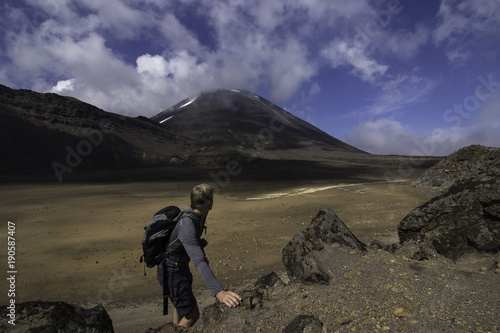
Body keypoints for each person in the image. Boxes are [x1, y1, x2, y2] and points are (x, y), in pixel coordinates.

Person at [157, 183, 241, 327]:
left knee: (181, 306)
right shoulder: (188, 224)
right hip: (172, 272)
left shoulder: (196, 215)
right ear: (209, 202)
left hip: (177, 269)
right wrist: (219, 292)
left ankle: (174, 328)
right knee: (192, 314)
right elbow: (199, 261)